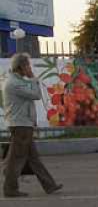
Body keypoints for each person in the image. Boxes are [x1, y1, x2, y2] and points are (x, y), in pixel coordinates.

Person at [2, 53, 62, 198]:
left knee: (33, 159)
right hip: (20, 125)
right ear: (21, 67)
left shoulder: (18, 81)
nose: (29, 67)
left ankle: (49, 185)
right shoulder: (14, 83)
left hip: (24, 124)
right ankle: (10, 188)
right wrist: (33, 78)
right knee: (16, 159)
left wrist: (30, 79)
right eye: (27, 65)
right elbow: (36, 94)